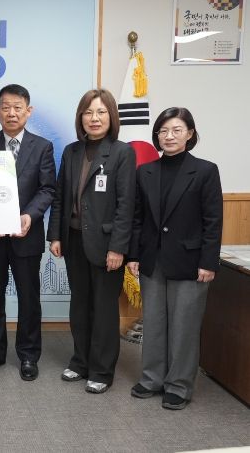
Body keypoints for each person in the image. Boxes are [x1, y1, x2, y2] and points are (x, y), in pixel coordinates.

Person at [127, 107, 222, 410]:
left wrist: (208, 262)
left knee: (184, 326)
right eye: (163, 131)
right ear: (157, 135)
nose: (169, 136)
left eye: (177, 130)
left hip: (191, 262)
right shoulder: (145, 171)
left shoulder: (205, 171)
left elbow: (213, 221)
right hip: (152, 260)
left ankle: (179, 385)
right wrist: (133, 255)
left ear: (190, 134)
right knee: (154, 323)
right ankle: (151, 378)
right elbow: (138, 219)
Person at [47, 88, 135, 393]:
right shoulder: (71, 151)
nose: (94, 118)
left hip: (106, 244)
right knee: (80, 305)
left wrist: (118, 247)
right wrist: (55, 235)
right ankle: (80, 362)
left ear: (111, 117)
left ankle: (102, 370)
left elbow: (126, 205)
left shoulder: (122, 152)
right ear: (80, 118)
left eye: (100, 112)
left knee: (104, 309)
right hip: (73, 240)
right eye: (88, 112)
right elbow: (60, 197)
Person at [0, 84, 56, 380]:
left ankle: (29, 355)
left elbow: (47, 189)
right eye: (6, 107)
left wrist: (28, 215)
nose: (12, 113)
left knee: (28, 298)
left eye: (17, 107)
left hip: (26, 235)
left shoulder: (42, 146)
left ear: (28, 111)